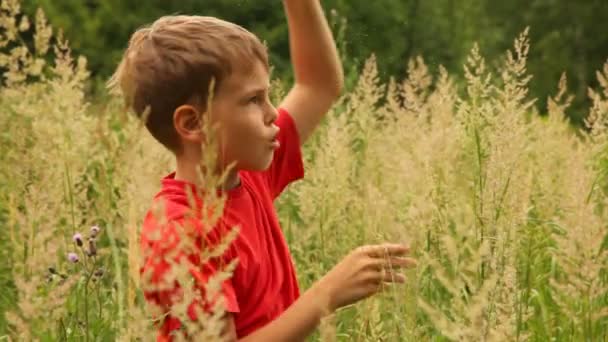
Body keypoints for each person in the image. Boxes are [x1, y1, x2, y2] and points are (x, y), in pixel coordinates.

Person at [109, 1, 416, 341]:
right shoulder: (179, 232)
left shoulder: (250, 176)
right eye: (253, 100)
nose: (273, 114)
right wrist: (325, 296)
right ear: (193, 122)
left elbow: (318, 85)